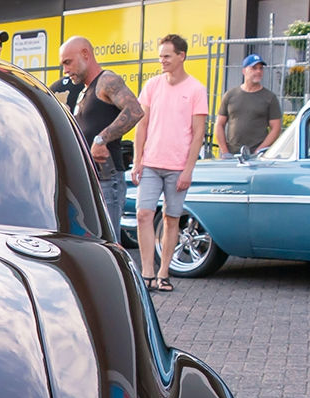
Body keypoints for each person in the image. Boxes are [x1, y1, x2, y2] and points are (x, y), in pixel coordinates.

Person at [131, 34, 208, 293]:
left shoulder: (196, 89)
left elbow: (198, 134)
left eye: (166, 55)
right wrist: (137, 160)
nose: (161, 60)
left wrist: (189, 169)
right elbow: (142, 124)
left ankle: (164, 272)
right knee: (143, 215)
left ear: (181, 56)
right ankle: (147, 272)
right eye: (160, 55)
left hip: (178, 167)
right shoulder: (152, 85)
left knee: (171, 219)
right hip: (151, 163)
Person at [59, 36, 143, 238]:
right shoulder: (86, 90)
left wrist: (101, 139)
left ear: (85, 54)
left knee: (108, 241)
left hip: (107, 179)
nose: (65, 70)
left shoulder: (107, 80)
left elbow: (135, 110)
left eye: (68, 62)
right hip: (92, 179)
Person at [214, 54, 282, 157]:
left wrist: (259, 151)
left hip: (257, 156)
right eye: (254, 68)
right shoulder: (230, 95)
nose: (258, 71)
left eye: (260, 68)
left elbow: (276, 128)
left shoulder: (270, 98)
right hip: (232, 156)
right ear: (244, 71)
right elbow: (219, 124)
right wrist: (225, 151)